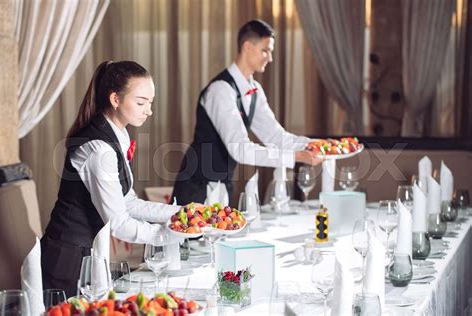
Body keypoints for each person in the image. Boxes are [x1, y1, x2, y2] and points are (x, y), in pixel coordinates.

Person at [41, 61, 181, 296]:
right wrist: (168, 234)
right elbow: (118, 223)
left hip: (87, 251)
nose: (149, 110)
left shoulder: (118, 135)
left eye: (150, 102)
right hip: (68, 258)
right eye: (141, 102)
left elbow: (128, 201)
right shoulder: (100, 149)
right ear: (115, 99)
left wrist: (180, 214)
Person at [171, 19, 322, 205]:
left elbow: (276, 137)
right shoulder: (220, 90)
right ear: (248, 47)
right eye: (265, 51)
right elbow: (240, 149)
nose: (270, 58)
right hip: (196, 189)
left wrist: (317, 145)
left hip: (222, 186)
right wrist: (295, 157)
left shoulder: (254, 89)